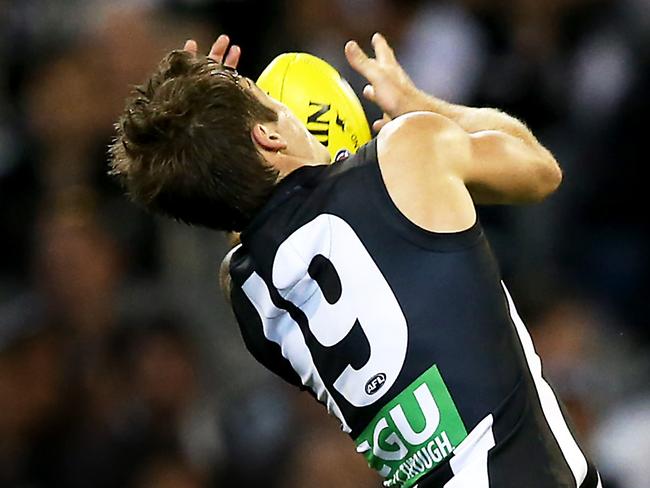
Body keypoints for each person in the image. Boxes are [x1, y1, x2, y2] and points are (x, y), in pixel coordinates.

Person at [110, 33, 600, 488]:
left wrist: (210, 144)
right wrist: (420, 108)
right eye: (274, 105)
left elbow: (248, 227)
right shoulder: (403, 156)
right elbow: (539, 169)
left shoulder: (246, 297)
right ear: (268, 137)